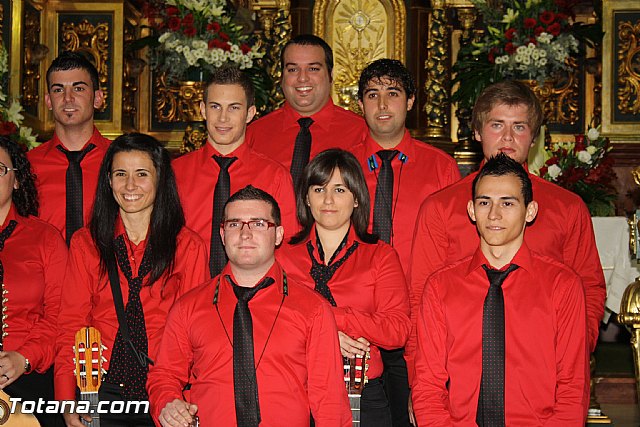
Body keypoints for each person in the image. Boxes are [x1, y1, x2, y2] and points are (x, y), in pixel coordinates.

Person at [405, 80, 605, 386]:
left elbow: (588, 288)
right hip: (458, 371)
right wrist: (421, 380)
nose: (508, 137)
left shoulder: (567, 208)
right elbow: (419, 297)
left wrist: (571, 352)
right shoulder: (441, 207)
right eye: (497, 125)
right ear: (477, 132)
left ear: (534, 137)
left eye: (520, 127)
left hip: (542, 371)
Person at [148, 185, 351, 427]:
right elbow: (163, 376)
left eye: (258, 224)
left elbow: (330, 403)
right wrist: (168, 403)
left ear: (278, 235)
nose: (245, 234)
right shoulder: (187, 307)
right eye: (234, 224)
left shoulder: (313, 309)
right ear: (222, 236)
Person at [411, 154, 588, 425]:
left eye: (507, 203)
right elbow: (427, 385)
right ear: (471, 210)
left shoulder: (562, 285)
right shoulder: (440, 286)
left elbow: (572, 387)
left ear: (530, 211)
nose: (494, 214)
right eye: (485, 203)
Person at [55, 133, 207, 427]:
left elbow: (196, 334)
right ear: (108, 181)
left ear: (160, 180)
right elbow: (71, 324)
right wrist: (66, 399)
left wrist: (186, 397)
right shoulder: (86, 243)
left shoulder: (188, 246)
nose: (130, 185)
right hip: (97, 391)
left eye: (142, 174)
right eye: (120, 174)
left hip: (163, 392)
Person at [354, 59, 460, 426]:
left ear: (411, 101)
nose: (383, 105)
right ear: (361, 105)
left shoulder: (440, 167)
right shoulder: (342, 165)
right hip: (358, 318)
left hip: (418, 321)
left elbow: (455, 251)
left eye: (393, 94)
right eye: (372, 95)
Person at [278, 149, 411, 426]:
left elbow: (398, 330)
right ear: (306, 197)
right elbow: (268, 322)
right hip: (295, 391)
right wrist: (325, 334)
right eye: (319, 188)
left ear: (357, 199)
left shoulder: (380, 255)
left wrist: (336, 322)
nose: (328, 200)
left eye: (339, 189)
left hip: (363, 394)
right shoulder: (282, 256)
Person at [172, 66, 297, 279]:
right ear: (202, 109)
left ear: (250, 113)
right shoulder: (174, 173)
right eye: (215, 107)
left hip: (253, 295)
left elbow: (287, 248)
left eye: (234, 108)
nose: (222, 118)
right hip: (187, 294)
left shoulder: (275, 175)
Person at [0, 136, 66, 427]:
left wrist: (23, 358)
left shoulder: (45, 238)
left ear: (16, 180)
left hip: (29, 373)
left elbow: (60, 316)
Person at [246, 34, 368, 183]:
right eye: (292, 70)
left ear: (330, 75)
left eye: (313, 69)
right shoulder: (254, 134)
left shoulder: (361, 132)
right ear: (281, 76)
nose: (302, 78)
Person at [28, 51, 110, 246]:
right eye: (58, 90)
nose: (67, 98)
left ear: (98, 98)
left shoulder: (120, 160)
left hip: (107, 273)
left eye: (78, 88)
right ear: (49, 101)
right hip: (46, 274)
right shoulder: (27, 166)